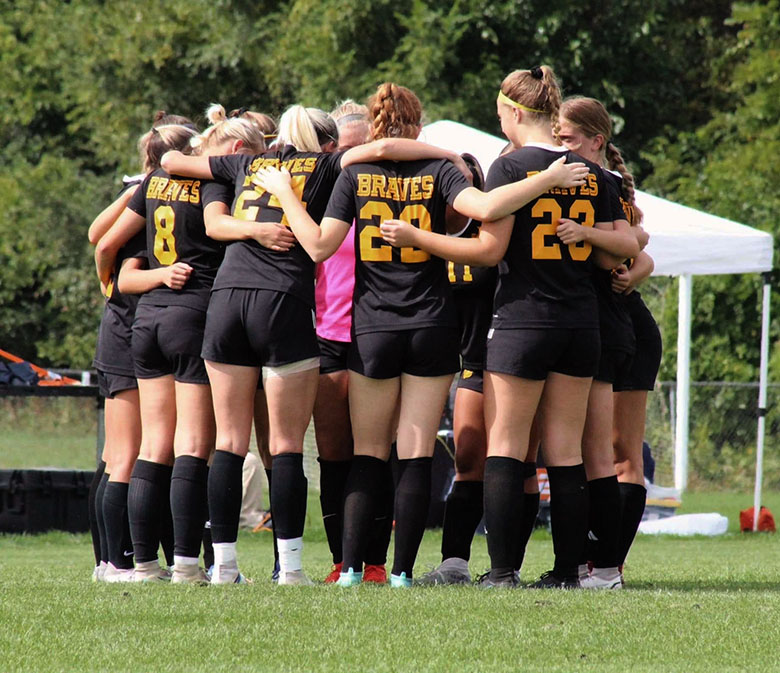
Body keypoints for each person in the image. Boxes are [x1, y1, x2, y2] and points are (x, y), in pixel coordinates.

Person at [253, 81, 590, 587]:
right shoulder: (441, 170)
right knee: (414, 450)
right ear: (419, 126)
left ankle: (349, 570)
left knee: (367, 453)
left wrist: (286, 199)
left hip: (372, 325)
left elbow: (321, 247)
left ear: (372, 123)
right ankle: (404, 572)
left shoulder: (356, 170)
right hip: (432, 323)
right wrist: (534, 178)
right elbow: (484, 210)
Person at [160, 103, 475, 585]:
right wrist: (447, 154)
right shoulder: (334, 167)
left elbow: (172, 163)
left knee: (229, 442)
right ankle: (298, 567)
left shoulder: (249, 163)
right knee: (305, 447)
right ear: (330, 146)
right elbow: (383, 151)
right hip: (306, 312)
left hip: (231, 299)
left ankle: (215, 565)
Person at [379, 67, 638, 588]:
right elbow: (627, 247)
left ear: (516, 113)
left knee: (506, 445)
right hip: (580, 323)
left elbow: (488, 251)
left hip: (522, 320)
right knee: (565, 452)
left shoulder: (512, 166)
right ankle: (568, 571)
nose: (501, 126)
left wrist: (418, 237)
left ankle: (501, 573)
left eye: (501, 117)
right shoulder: (592, 173)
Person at [95, 112, 243, 584]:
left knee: (153, 446)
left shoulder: (156, 179)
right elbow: (222, 233)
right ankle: (184, 564)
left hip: (146, 319)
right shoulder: (211, 185)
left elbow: (108, 240)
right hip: (192, 314)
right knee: (193, 446)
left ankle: (141, 564)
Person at [88, 111, 195, 582]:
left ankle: (114, 560)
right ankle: (115, 561)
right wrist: (111, 288)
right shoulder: (148, 189)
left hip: (139, 323)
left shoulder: (152, 188)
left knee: (128, 452)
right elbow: (100, 242)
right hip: (130, 325)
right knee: (127, 452)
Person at [557, 96, 650, 589]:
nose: (560, 149)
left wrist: (586, 234)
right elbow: (640, 245)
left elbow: (635, 245)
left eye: (569, 139)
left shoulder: (604, 185)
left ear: (596, 141)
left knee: (616, 455)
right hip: (603, 324)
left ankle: (607, 564)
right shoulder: (573, 180)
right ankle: (599, 564)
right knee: (597, 452)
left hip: (621, 329)